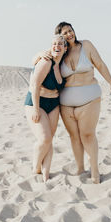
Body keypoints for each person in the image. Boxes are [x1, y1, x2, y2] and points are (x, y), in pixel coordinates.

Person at [34, 22, 111, 183]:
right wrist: (38, 54)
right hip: (66, 104)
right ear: (60, 37)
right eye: (65, 33)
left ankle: (95, 170)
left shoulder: (86, 45)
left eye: (70, 31)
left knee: (87, 135)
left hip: (89, 99)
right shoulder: (61, 53)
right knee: (74, 137)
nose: (69, 34)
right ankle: (80, 168)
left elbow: (99, 64)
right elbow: (40, 60)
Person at [24, 34, 67, 182]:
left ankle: (46, 173)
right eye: (54, 44)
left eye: (61, 44)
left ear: (65, 48)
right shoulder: (45, 61)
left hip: (53, 104)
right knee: (44, 139)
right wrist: (36, 109)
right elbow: (35, 85)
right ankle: (36, 168)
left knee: (50, 141)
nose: (57, 46)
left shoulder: (63, 65)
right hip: (36, 102)